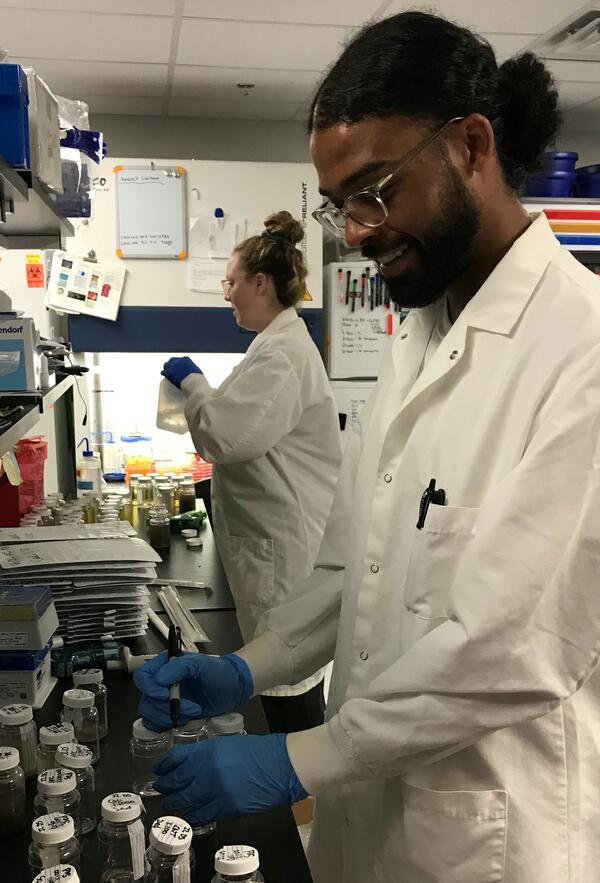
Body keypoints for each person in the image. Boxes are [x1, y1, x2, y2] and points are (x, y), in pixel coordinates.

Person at [135, 12, 600, 883]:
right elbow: (353, 568)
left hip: (491, 842)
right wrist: (250, 664)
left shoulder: (583, 351)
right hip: (369, 822)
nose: (352, 230)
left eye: (375, 191)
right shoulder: (416, 335)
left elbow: (508, 649)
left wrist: (295, 760)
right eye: (338, 203)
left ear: (470, 146)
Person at [159, 210, 342, 734]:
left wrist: (193, 381)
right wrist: (200, 391)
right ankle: (294, 791)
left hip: (279, 551)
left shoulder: (283, 354)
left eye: (231, 282)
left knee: (288, 681)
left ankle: (298, 801)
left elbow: (229, 436)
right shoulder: (275, 347)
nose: (226, 294)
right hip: (268, 540)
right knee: (281, 673)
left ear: (260, 283)